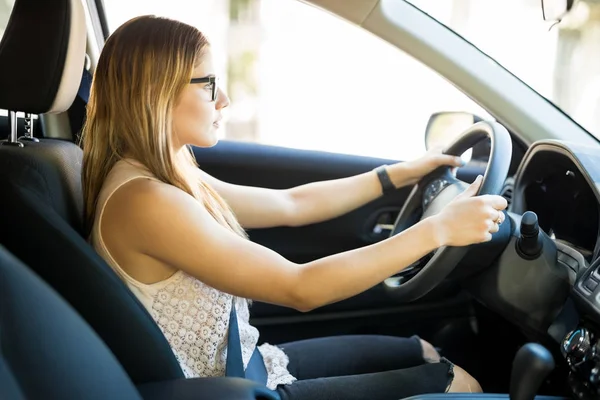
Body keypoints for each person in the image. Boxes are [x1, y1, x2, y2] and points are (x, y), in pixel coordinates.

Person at [81, 15, 507, 400]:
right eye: (208, 84)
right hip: (230, 392)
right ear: (155, 92)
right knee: (460, 384)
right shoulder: (147, 201)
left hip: (252, 367)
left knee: (425, 352)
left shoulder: (165, 173)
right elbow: (300, 288)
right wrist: (437, 230)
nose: (224, 99)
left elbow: (291, 204)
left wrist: (396, 175)